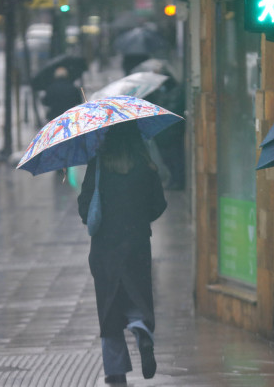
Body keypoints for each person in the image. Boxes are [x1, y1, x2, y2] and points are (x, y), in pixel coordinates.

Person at [77, 121, 167, 385]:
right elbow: (158, 205)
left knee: (108, 309)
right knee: (137, 295)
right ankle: (140, 328)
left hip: (105, 248)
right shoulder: (145, 165)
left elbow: (85, 210)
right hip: (137, 243)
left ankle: (116, 374)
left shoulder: (99, 165)